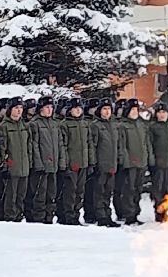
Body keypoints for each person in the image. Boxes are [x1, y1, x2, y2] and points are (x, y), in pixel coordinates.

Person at [116, 99, 152, 226]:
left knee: (138, 189)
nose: (134, 112)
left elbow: (146, 143)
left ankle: (136, 212)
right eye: (132, 110)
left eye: (136, 110)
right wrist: (125, 161)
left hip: (141, 162)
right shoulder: (122, 126)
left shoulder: (141, 125)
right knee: (129, 189)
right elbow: (122, 146)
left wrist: (148, 158)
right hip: (130, 163)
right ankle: (129, 214)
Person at [0, 99, 32, 222]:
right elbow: (2, 149)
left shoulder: (25, 126)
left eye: (21, 108)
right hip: (12, 167)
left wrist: (29, 163)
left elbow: (29, 147)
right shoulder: (3, 127)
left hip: (24, 167)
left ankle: (19, 216)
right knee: (11, 196)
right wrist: (5, 166)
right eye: (16, 108)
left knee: (21, 196)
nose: (19, 111)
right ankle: (10, 218)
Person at [27, 96, 62, 224]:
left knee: (51, 193)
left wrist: (61, 162)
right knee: (39, 194)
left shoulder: (54, 124)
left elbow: (60, 144)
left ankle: (49, 217)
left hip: (53, 165)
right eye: (47, 107)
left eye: (51, 107)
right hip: (41, 166)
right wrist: (38, 164)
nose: (49, 110)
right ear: (40, 109)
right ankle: (39, 218)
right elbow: (34, 145)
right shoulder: (34, 124)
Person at [58, 97, 91, 226]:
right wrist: (65, 164)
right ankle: (68, 216)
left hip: (83, 163)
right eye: (75, 108)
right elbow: (63, 146)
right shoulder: (65, 125)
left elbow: (89, 144)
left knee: (79, 191)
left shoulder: (84, 124)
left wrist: (90, 162)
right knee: (70, 192)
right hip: (72, 164)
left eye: (79, 108)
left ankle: (76, 214)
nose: (78, 110)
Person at [90, 98, 121, 226]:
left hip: (111, 164)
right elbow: (93, 146)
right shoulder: (96, 126)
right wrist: (94, 163)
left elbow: (117, 145)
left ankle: (107, 214)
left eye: (109, 109)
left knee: (108, 192)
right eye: (104, 109)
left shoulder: (114, 126)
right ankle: (100, 216)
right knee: (99, 191)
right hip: (101, 165)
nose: (107, 112)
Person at [147, 103, 168, 214]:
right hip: (158, 162)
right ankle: (159, 211)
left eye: (164, 112)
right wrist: (152, 159)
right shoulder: (153, 127)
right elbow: (150, 144)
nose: (162, 115)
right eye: (159, 112)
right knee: (158, 187)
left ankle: (167, 210)